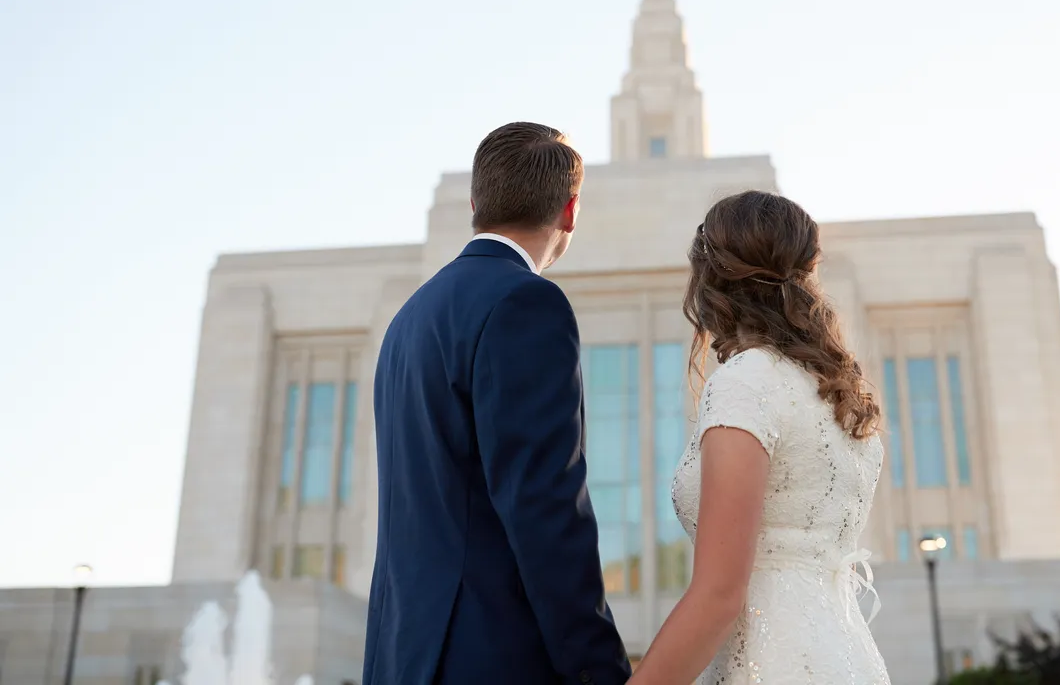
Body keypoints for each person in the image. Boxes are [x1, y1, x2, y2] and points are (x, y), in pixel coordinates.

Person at [362, 122, 631, 685]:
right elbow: (544, 504)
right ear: (570, 211)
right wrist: (598, 669)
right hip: (491, 656)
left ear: (475, 203)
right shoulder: (526, 304)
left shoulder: (408, 319)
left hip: (401, 657)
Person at [632, 190, 889, 685]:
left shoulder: (747, 380)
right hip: (848, 656)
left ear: (709, 281)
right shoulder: (837, 392)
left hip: (771, 664)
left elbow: (720, 593)